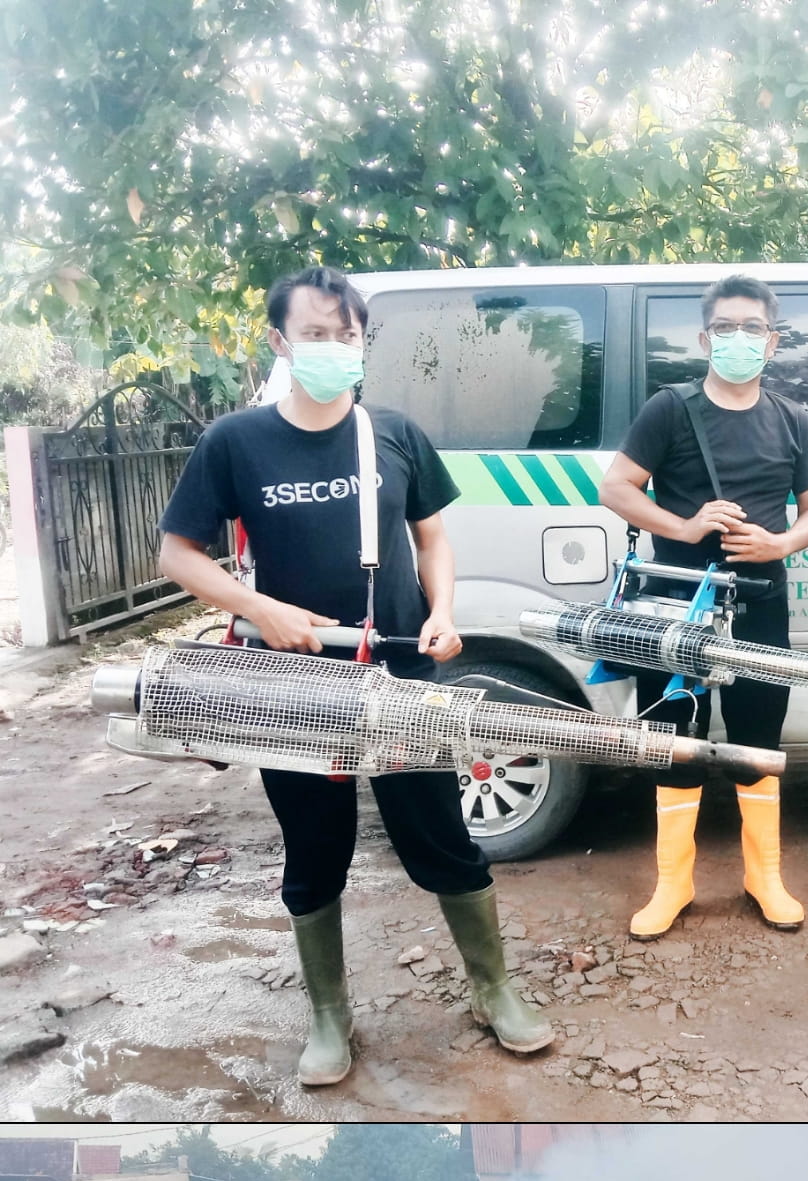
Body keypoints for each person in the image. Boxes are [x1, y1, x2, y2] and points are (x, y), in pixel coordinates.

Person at [158, 262, 553, 1082]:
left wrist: (442, 612)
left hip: (402, 679)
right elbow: (177, 554)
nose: (333, 348)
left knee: (444, 837)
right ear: (280, 342)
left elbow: (433, 541)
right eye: (314, 334)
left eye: (347, 336)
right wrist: (259, 609)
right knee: (314, 850)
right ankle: (330, 1019)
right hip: (293, 687)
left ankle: (494, 989)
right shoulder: (235, 442)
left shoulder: (397, 434)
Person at [600, 276, 808, 938]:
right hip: (677, 606)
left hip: (761, 601)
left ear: (772, 340)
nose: (739, 339)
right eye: (725, 328)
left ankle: (765, 878)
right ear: (704, 338)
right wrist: (686, 525)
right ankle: (673, 882)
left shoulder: (792, 419)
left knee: (760, 738)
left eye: (752, 327)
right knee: (675, 738)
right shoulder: (669, 409)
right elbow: (616, 488)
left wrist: (778, 541)